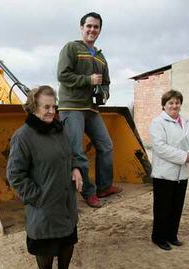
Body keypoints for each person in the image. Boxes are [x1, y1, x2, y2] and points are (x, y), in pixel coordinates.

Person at [6, 86, 83, 269]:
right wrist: (38, 198)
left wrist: (75, 168)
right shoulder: (23, 137)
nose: (51, 111)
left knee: (67, 243)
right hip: (44, 205)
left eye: (53, 106)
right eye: (46, 107)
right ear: (33, 108)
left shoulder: (59, 130)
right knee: (47, 249)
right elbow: (15, 175)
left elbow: (70, 156)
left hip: (66, 202)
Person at [57, 12, 122, 208]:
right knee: (78, 152)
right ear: (82, 28)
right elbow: (62, 75)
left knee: (106, 145)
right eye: (89, 26)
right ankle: (88, 192)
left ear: (100, 30)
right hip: (71, 107)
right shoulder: (71, 48)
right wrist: (88, 80)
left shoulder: (101, 57)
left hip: (92, 109)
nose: (92, 30)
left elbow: (107, 83)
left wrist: (104, 93)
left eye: (96, 27)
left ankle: (104, 186)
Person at [149, 90, 189, 251]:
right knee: (162, 209)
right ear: (164, 105)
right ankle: (159, 237)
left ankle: (172, 235)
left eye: (177, 102)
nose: (174, 105)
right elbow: (160, 147)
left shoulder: (187, 122)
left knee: (176, 207)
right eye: (170, 103)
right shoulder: (158, 123)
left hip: (182, 174)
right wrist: (184, 156)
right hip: (164, 174)